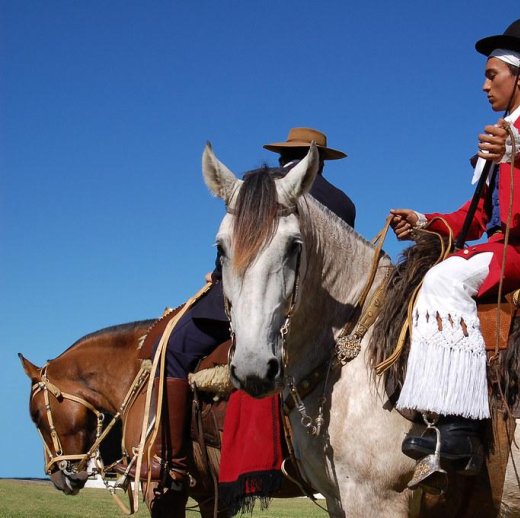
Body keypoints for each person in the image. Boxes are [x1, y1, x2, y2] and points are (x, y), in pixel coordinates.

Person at [389, 18, 520, 474]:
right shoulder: (500, 133)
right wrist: (423, 221)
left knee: (444, 278)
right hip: (498, 245)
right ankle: (433, 412)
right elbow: (475, 216)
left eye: (491, 74)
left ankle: (459, 426)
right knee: (435, 275)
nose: (483, 86)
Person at [126, 127, 355, 483]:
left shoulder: (256, 187)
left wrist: (218, 274)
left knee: (171, 348)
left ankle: (170, 459)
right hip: (322, 307)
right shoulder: (344, 203)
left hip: (253, 296)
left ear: (283, 156)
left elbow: (238, 247)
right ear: (319, 163)